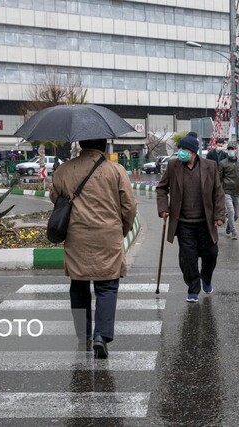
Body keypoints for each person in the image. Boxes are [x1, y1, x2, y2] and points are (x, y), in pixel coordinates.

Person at [51, 138, 136, 359]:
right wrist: (121, 230)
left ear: (81, 143)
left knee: (79, 285)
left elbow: (55, 199)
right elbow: (129, 206)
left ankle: (83, 334)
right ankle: (101, 336)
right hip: (108, 236)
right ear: (104, 145)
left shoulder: (63, 170)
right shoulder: (116, 170)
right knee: (107, 286)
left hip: (76, 235)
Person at [156, 132, 225, 303]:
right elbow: (161, 189)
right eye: (180, 149)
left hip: (205, 222)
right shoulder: (173, 166)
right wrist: (163, 208)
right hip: (184, 223)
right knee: (188, 258)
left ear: (194, 152)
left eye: (184, 149)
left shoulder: (210, 166)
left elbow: (218, 193)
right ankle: (193, 288)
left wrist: (219, 215)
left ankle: (206, 279)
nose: (181, 152)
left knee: (211, 254)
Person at [219, 142, 239, 240]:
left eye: (233, 149)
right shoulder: (222, 163)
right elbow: (219, 178)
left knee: (236, 215)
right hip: (227, 191)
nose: (231, 151)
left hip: (238, 191)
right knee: (230, 211)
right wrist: (220, 191)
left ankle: (229, 226)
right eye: (229, 149)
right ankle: (234, 232)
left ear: (236, 150)